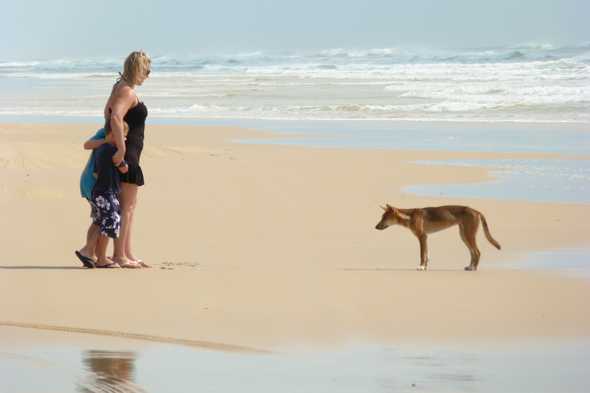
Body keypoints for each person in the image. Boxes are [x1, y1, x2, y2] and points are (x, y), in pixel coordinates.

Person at [104, 50, 151, 268]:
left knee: (129, 205)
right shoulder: (127, 91)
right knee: (127, 206)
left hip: (130, 152)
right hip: (129, 154)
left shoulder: (120, 87)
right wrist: (121, 149)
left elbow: (107, 111)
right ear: (137, 69)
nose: (148, 75)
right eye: (146, 70)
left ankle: (126, 252)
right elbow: (114, 116)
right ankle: (120, 255)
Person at [75, 123, 129, 268]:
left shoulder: (102, 148)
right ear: (112, 135)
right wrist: (121, 152)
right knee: (107, 220)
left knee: (99, 220)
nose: (124, 139)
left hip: (97, 188)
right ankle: (96, 255)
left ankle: (90, 252)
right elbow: (123, 167)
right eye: (122, 136)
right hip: (101, 188)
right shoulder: (110, 147)